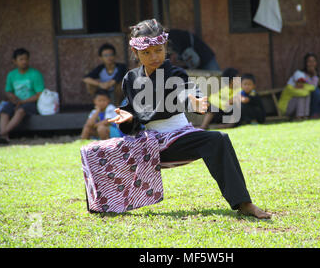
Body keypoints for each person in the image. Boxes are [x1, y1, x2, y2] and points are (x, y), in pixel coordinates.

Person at [109, 19, 270, 219]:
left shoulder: (176, 73)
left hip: (179, 139)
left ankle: (244, 203)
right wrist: (127, 120)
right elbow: (133, 121)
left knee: (219, 139)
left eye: (158, 50)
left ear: (165, 48)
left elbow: (186, 92)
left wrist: (192, 101)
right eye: (146, 53)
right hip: (149, 144)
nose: (154, 57)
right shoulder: (130, 80)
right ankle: (106, 205)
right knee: (96, 152)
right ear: (136, 53)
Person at [0, 48, 45, 144]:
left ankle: (1, 133)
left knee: (20, 111)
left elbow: (39, 94)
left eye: (26, 59)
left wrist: (22, 102)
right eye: (21, 59)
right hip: (16, 101)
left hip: (30, 103)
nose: (24, 62)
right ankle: (5, 137)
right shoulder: (11, 75)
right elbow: (8, 91)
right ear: (14, 61)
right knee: (4, 112)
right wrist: (12, 98)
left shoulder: (35, 74)